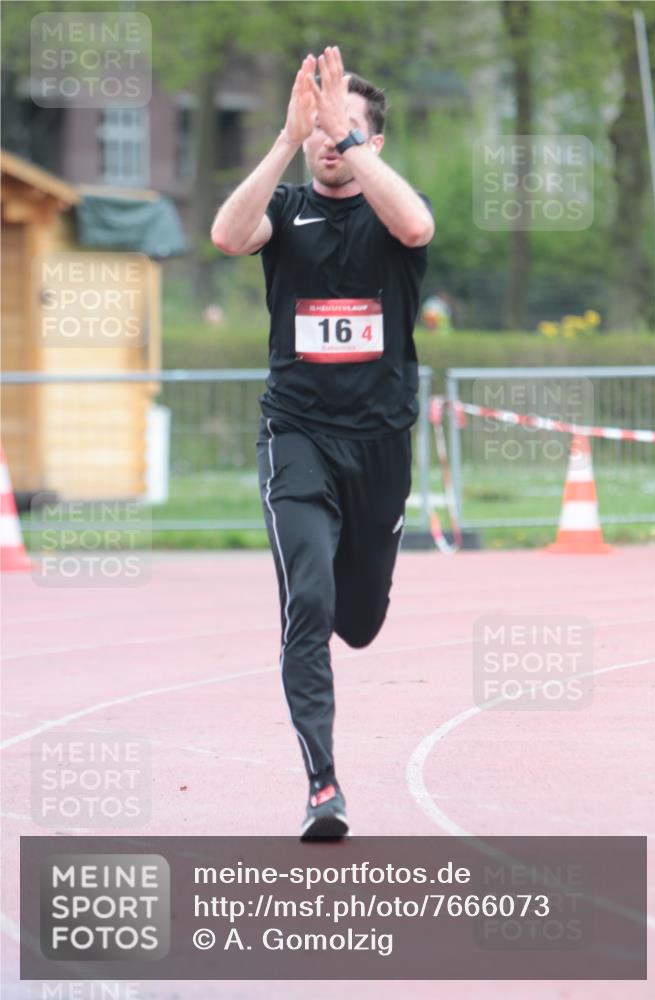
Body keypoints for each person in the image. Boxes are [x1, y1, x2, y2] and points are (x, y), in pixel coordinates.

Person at [211, 45, 434, 839]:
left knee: (360, 620)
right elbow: (227, 236)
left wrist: (353, 140)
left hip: (378, 444)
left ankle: (355, 589)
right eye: (318, 132)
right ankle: (322, 785)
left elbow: (415, 223)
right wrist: (282, 141)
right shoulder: (288, 209)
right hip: (297, 433)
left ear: (372, 140)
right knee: (306, 602)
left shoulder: (391, 205)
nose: (325, 144)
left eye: (340, 131)